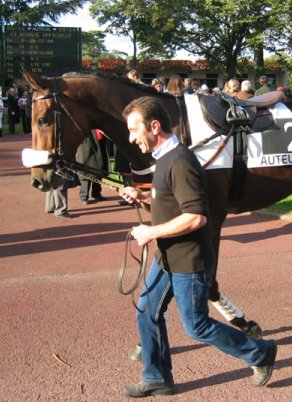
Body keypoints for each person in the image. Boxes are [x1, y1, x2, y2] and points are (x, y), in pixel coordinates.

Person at [118, 96, 277, 397]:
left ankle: (260, 353)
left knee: (197, 327)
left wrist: (151, 231)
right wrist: (143, 197)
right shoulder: (165, 157)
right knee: (146, 311)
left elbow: (196, 217)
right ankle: (156, 377)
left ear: (154, 126)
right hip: (168, 256)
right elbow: (172, 200)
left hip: (189, 260)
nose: (131, 137)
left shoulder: (180, 161)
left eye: (134, 129)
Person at [76, 130, 108, 204]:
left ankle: (96, 194)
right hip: (86, 150)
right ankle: (83, 196)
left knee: (99, 172)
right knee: (85, 174)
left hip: (99, 148)